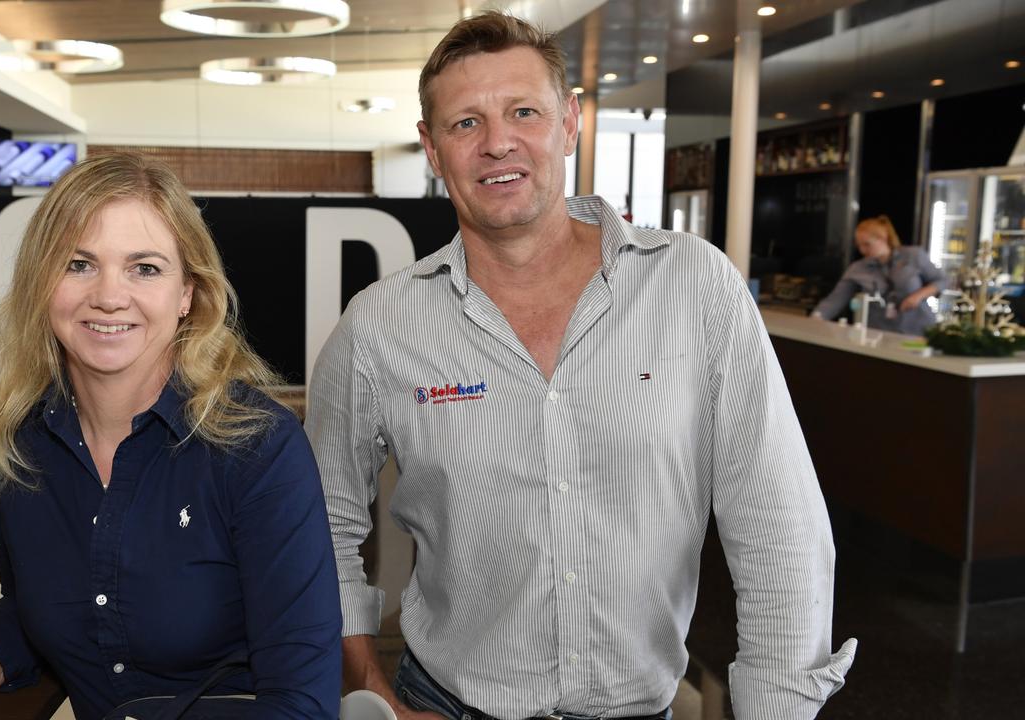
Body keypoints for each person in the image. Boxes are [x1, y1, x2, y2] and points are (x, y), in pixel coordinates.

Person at [306, 11, 856, 720]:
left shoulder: (695, 287)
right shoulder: (380, 326)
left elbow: (779, 527)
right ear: (433, 150)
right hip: (442, 703)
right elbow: (319, 528)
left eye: (523, 111)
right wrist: (370, 692)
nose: (497, 141)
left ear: (570, 122)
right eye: (464, 123)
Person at [0, 152, 342, 720]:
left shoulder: (259, 447)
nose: (109, 296)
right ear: (42, 283)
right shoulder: (17, 444)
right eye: (79, 264)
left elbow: (302, 706)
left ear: (187, 294)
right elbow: (41, 612)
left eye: (145, 268)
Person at [811, 215, 946, 334]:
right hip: (878, 333)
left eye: (867, 245)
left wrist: (917, 296)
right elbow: (836, 299)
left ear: (883, 239)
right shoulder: (858, 269)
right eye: (859, 246)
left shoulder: (913, 255)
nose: (863, 250)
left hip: (917, 330)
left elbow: (942, 280)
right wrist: (816, 318)